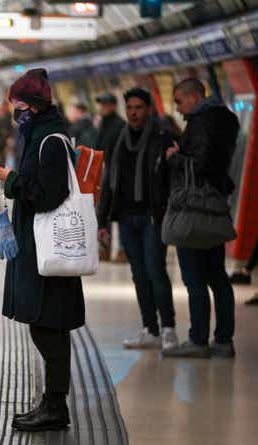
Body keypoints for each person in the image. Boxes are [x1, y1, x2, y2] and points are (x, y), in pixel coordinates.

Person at [0, 68, 85, 432]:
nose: (15, 110)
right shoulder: (39, 134)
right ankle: (52, 403)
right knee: (45, 324)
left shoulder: (51, 139)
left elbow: (49, 193)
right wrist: (11, 178)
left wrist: (8, 180)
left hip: (47, 247)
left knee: (48, 326)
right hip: (37, 244)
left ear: (34, 103)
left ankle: (56, 406)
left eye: (19, 103)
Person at [162, 78, 240, 359]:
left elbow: (199, 163)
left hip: (193, 210)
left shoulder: (201, 123)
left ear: (194, 97)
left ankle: (198, 340)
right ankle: (223, 340)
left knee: (194, 278)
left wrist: (174, 157)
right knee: (217, 277)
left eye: (180, 101)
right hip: (214, 207)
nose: (177, 108)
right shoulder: (227, 121)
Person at [97, 87, 178, 351]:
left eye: (139, 108)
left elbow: (172, 175)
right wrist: (102, 221)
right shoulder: (118, 138)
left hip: (152, 217)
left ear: (149, 109)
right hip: (126, 217)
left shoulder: (161, 136)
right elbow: (109, 181)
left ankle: (168, 329)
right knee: (138, 274)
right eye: (130, 108)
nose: (133, 112)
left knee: (155, 271)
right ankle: (150, 329)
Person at [95, 92, 127, 263]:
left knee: (118, 210)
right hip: (104, 170)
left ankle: (122, 250)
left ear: (113, 106)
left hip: (117, 172)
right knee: (103, 211)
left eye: (105, 105)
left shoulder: (120, 125)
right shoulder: (103, 124)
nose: (102, 108)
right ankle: (104, 248)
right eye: (101, 105)